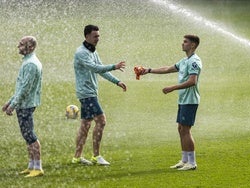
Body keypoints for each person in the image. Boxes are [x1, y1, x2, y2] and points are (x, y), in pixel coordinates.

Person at [141, 35, 202, 171]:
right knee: (181, 129)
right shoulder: (185, 60)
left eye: (185, 42)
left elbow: (193, 81)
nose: (182, 44)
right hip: (183, 100)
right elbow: (167, 69)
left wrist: (172, 87)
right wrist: (149, 70)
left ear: (192, 45)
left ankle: (192, 163)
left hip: (190, 101)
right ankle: (184, 160)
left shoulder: (194, 61)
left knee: (186, 130)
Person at [72, 25, 127, 166]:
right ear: (87, 36)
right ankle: (96, 156)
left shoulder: (92, 52)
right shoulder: (81, 53)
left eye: (98, 36)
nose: (98, 39)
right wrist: (114, 66)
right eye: (95, 36)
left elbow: (101, 70)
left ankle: (77, 157)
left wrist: (117, 81)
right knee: (101, 121)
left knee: (85, 125)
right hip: (86, 93)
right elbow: (95, 68)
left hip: (89, 93)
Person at [2, 36, 44, 177]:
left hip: (26, 104)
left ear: (30, 47)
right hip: (24, 103)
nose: (18, 47)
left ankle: (37, 168)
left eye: (21, 45)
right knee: (27, 135)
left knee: (30, 136)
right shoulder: (28, 62)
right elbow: (21, 87)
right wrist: (10, 101)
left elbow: (25, 89)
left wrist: (13, 105)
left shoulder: (30, 64)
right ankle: (31, 166)